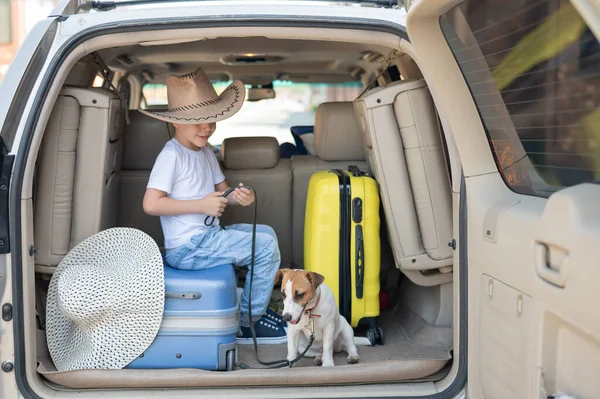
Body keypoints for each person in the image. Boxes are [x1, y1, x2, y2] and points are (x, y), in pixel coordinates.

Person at [141, 68, 287, 344]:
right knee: (265, 248)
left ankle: (252, 305)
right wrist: (201, 205)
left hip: (208, 237)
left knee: (266, 234)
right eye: (196, 121)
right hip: (187, 248)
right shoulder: (171, 156)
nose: (206, 128)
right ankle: (249, 323)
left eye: (211, 120)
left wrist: (239, 196)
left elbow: (223, 192)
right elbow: (151, 204)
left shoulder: (205, 151)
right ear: (177, 123)